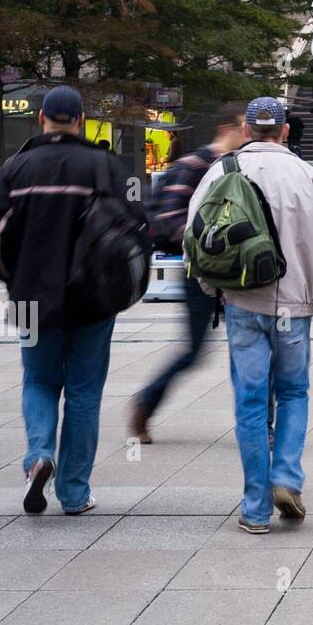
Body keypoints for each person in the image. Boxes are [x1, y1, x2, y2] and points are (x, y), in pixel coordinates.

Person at [0, 86, 150, 516]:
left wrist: (13, 277)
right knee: (83, 392)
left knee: (38, 380)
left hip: (32, 297)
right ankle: (74, 492)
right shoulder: (104, 165)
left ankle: (40, 454)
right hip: (93, 298)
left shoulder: (15, 168)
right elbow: (134, 226)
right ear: (80, 120)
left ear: (41, 118)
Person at [186, 97, 313, 533]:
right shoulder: (309, 177)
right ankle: (287, 478)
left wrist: (214, 289)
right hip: (295, 309)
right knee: (294, 392)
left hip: (243, 303)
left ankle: (255, 508)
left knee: (251, 400)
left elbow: (195, 237)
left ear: (245, 130)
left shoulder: (221, 172)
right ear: (285, 131)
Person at [129, 103, 248, 443]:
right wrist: (208, 238)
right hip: (200, 273)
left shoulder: (242, 166)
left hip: (238, 275)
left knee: (253, 349)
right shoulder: (193, 166)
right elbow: (164, 220)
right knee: (194, 351)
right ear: (227, 129)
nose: (248, 135)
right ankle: (145, 402)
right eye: (243, 128)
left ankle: (260, 425)